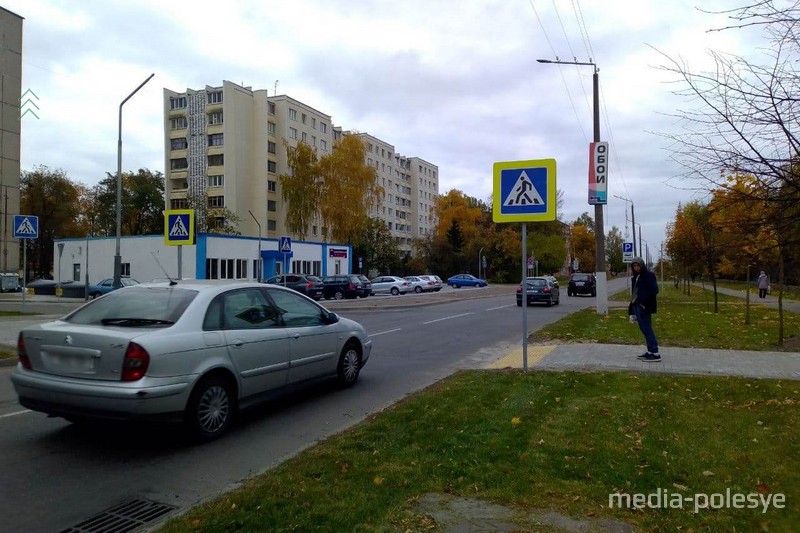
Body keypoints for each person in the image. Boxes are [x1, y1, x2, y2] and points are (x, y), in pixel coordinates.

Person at [630, 257, 660, 362]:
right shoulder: (636, 277)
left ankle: (655, 352)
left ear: (642, 265)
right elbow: (634, 292)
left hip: (644, 306)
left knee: (647, 328)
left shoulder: (648, 275)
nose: (636, 268)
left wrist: (643, 301)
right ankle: (650, 351)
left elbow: (654, 290)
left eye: (638, 265)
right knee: (643, 328)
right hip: (637, 305)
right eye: (634, 266)